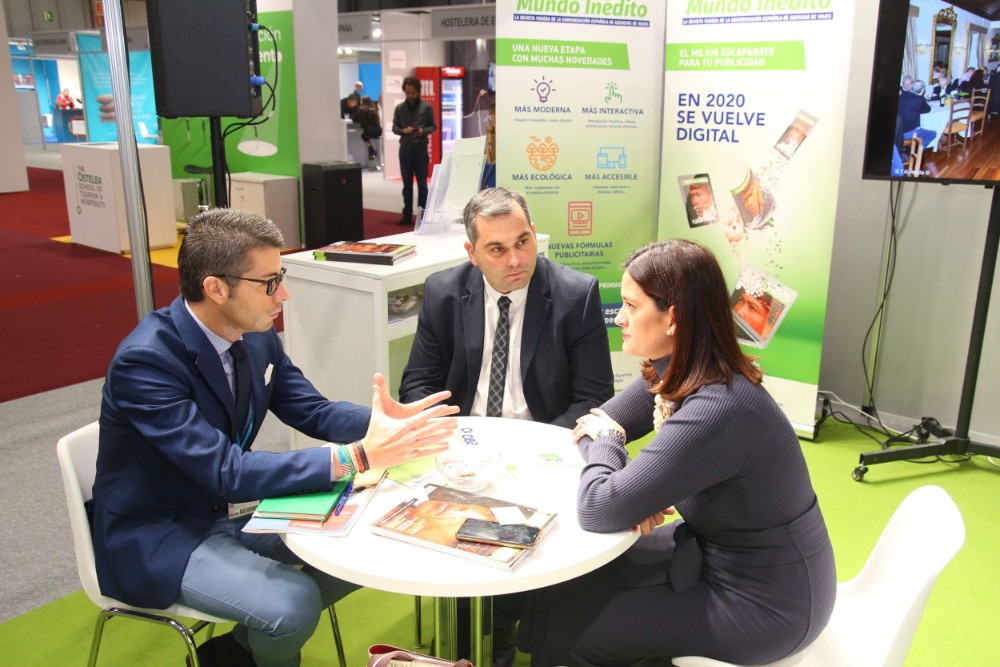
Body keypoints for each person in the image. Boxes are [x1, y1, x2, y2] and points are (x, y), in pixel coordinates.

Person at [92, 208, 459, 667]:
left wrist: (379, 423)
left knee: (376, 547)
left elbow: (311, 409)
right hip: (157, 535)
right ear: (215, 288)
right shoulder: (146, 363)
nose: (282, 293)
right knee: (294, 603)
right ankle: (251, 650)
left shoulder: (253, 334)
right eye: (268, 283)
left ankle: (236, 653)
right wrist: (357, 457)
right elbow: (226, 472)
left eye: (279, 276)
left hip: (220, 512)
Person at [517, 239, 836, 666]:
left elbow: (598, 502)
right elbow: (596, 423)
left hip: (767, 603)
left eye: (631, 306)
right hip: (715, 552)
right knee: (568, 582)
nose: (620, 317)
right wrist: (632, 488)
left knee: (584, 632)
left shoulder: (721, 407)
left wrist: (624, 480)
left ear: (674, 318)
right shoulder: (679, 367)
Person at [399, 186, 615, 666]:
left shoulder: (576, 295)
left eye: (523, 241)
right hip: (461, 453)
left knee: (517, 536)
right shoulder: (443, 292)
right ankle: (466, 622)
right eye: (497, 249)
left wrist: (524, 449)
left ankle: (497, 627)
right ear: (472, 253)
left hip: (542, 450)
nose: (515, 259)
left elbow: (593, 397)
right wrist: (451, 439)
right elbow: (417, 384)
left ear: (535, 235)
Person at [392, 76, 436, 226]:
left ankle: (422, 214)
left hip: (420, 150)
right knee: (407, 185)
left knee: (422, 185)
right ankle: (407, 214)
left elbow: (433, 126)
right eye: (408, 93)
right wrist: (404, 130)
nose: (410, 96)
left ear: (418, 92)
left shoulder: (427, 107)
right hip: (405, 149)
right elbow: (394, 128)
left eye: (413, 93)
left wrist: (422, 131)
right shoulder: (399, 108)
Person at [897, 80, 936, 150]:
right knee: (933, 134)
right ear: (923, 90)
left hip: (897, 132)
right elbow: (928, 110)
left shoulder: (900, 96)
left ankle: (912, 147)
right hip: (909, 133)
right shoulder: (920, 99)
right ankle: (918, 152)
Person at [354, 95, 383, 163]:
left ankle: (371, 149)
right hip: (378, 130)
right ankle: (372, 151)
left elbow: (354, 119)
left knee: (363, 136)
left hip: (369, 131)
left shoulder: (361, 109)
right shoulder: (374, 109)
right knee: (369, 137)